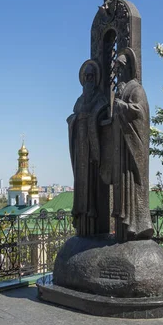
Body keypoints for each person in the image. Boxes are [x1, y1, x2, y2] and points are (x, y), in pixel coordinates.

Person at [111, 48, 154, 242]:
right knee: (123, 185)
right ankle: (127, 222)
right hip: (122, 149)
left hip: (132, 147)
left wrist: (120, 105)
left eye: (121, 68)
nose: (118, 72)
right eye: (117, 68)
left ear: (129, 69)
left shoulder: (137, 89)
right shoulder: (123, 88)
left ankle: (138, 225)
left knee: (134, 185)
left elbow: (140, 114)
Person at [67, 60, 111, 236]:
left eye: (92, 76)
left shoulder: (100, 98)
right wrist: (75, 120)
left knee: (92, 180)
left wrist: (90, 119)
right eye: (86, 76)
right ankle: (81, 213)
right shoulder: (79, 100)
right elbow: (73, 116)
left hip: (92, 146)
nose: (88, 80)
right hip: (80, 147)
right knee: (80, 180)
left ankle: (92, 211)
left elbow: (103, 113)